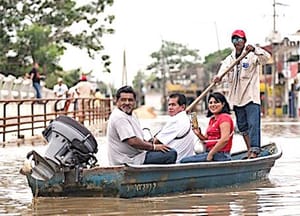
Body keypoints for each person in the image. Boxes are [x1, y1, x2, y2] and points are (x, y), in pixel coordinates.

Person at [213, 29, 271, 159]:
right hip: (237, 99)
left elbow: (266, 58)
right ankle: (250, 150)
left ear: (244, 41)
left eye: (239, 39)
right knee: (242, 127)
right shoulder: (230, 59)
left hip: (251, 97)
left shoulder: (252, 55)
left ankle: (255, 150)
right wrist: (218, 78)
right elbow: (222, 74)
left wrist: (255, 49)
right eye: (234, 39)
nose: (236, 42)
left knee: (253, 125)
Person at [107, 85, 177, 165]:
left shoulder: (131, 114)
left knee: (166, 148)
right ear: (117, 101)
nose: (127, 103)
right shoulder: (119, 117)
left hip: (137, 156)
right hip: (128, 160)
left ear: (134, 102)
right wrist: (153, 147)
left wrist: (152, 143)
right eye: (123, 100)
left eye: (130, 100)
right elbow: (132, 141)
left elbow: (138, 138)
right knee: (171, 154)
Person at [180, 92, 234, 163]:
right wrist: (198, 134)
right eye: (210, 103)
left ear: (223, 104)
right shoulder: (212, 120)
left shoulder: (224, 118)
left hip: (220, 155)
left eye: (216, 102)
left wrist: (211, 154)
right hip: (210, 152)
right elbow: (206, 141)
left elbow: (225, 139)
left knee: (184, 161)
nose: (213, 105)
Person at [152, 93, 196, 162]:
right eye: (169, 105)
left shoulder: (176, 120)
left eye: (173, 105)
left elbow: (156, 142)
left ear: (182, 107)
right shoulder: (185, 118)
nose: (170, 107)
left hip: (176, 160)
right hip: (185, 157)